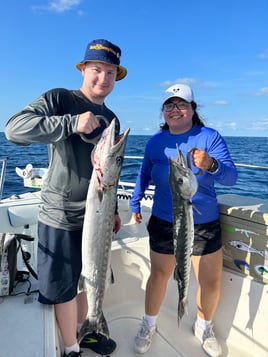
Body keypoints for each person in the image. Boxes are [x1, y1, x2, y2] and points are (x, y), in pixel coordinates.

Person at [5, 39, 127, 357]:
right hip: (59, 214)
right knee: (63, 287)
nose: (103, 78)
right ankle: (71, 348)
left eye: (111, 72)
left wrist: (112, 209)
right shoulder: (60, 98)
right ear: (84, 69)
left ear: (117, 77)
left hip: (95, 217)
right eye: (97, 69)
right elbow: (14, 130)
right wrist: (71, 123)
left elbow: (110, 172)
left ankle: (86, 330)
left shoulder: (111, 117)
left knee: (89, 278)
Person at [130, 83, 238, 357]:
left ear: (192, 109)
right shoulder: (155, 141)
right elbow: (143, 173)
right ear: (164, 111)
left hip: (203, 222)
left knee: (210, 280)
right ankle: (148, 324)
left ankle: (204, 326)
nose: (175, 110)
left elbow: (231, 177)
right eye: (169, 105)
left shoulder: (209, 137)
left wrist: (211, 164)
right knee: (159, 275)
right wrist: (135, 202)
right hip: (165, 220)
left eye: (181, 104)